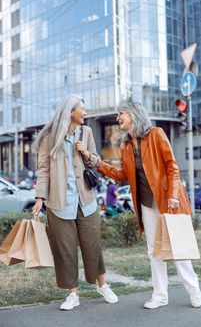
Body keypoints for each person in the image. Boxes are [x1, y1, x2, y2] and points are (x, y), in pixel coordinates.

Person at [97, 101, 201, 309]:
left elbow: (172, 167)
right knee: (154, 250)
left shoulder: (156, 134)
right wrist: (98, 164)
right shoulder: (125, 146)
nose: (118, 118)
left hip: (167, 200)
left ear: (134, 115)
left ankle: (193, 288)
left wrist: (173, 194)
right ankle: (160, 295)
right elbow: (123, 176)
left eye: (122, 114)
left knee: (178, 247)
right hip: (146, 203)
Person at [32, 95, 118, 310]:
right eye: (82, 108)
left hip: (86, 200)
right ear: (71, 112)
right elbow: (43, 171)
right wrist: (40, 198)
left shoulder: (86, 132)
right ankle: (72, 294)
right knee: (65, 250)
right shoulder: (49, 138)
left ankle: (102, 284)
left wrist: (87, 153)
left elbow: (97, 162)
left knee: (93, 245)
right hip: (59, 203)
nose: (85, 111)